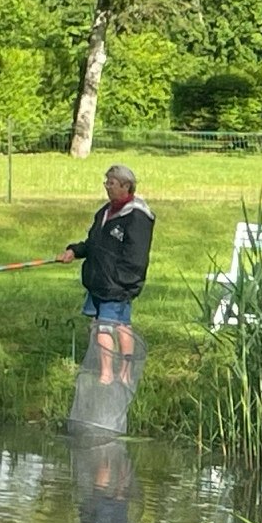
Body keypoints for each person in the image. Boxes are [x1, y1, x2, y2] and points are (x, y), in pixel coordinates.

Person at [57, 164, 154, 384]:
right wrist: (74, 251)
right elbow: (94, 244)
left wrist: (122, 283)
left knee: (106, 327)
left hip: (116, 285)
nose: (107, 186)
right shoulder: (105, 212)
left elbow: (137, 256)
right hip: (99, 281)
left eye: (111, 183)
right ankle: (119, 374)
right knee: (118, 325)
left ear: (126, 186)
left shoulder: (137, 216)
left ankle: (109, 375)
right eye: (106, 182)